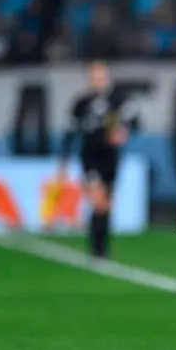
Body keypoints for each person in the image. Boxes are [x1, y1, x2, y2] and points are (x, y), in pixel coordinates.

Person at [58, 61, 139, 259]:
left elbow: (135, 122)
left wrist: (123, 131)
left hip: (110, 157)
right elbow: (71, 132)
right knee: (98, 200)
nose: (98, 81)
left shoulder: (118, 100)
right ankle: (97, 248)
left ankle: (101, 245)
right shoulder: (82, 103)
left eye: (101, 76)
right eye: (94, 77)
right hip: (90, 156)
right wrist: (64, 159)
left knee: (108, 202)